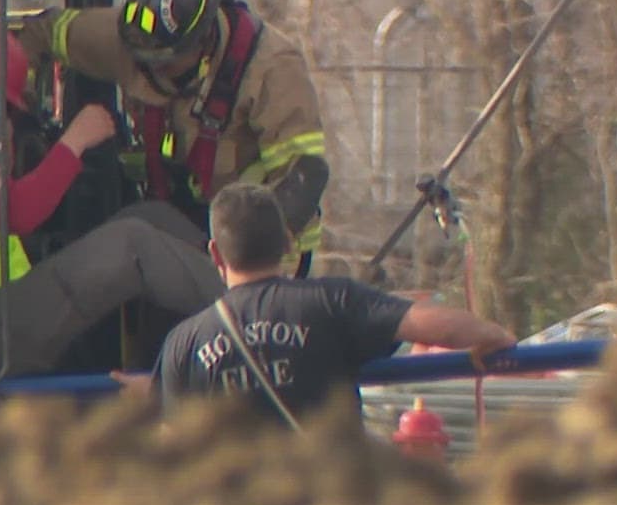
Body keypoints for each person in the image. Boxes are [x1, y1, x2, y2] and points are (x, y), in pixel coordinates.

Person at [17, 0, 331, 271]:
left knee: (131, 239)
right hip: (182, 222)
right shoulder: (136, 39)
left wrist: (253, 274)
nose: (151, 70)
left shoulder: (271, 69)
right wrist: (20, 108)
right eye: (142, 60)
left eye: (164, 62)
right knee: (124, 233)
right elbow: (41, 32)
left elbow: (303, 177)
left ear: (203, 43)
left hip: (257, 256)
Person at [0, 19, 226, 376]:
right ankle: (255, 314)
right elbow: (19, 212)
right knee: (131, 244)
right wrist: (75, 141)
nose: (2, 118)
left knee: (149, 216)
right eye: (2, 107)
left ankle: (240, 272)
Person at [153, 182, 516, 425]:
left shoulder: (184, 344)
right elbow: (435, 325)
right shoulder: (332, 301)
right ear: (286, 243)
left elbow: (172, 445)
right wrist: (493, 335)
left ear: (215, 253)